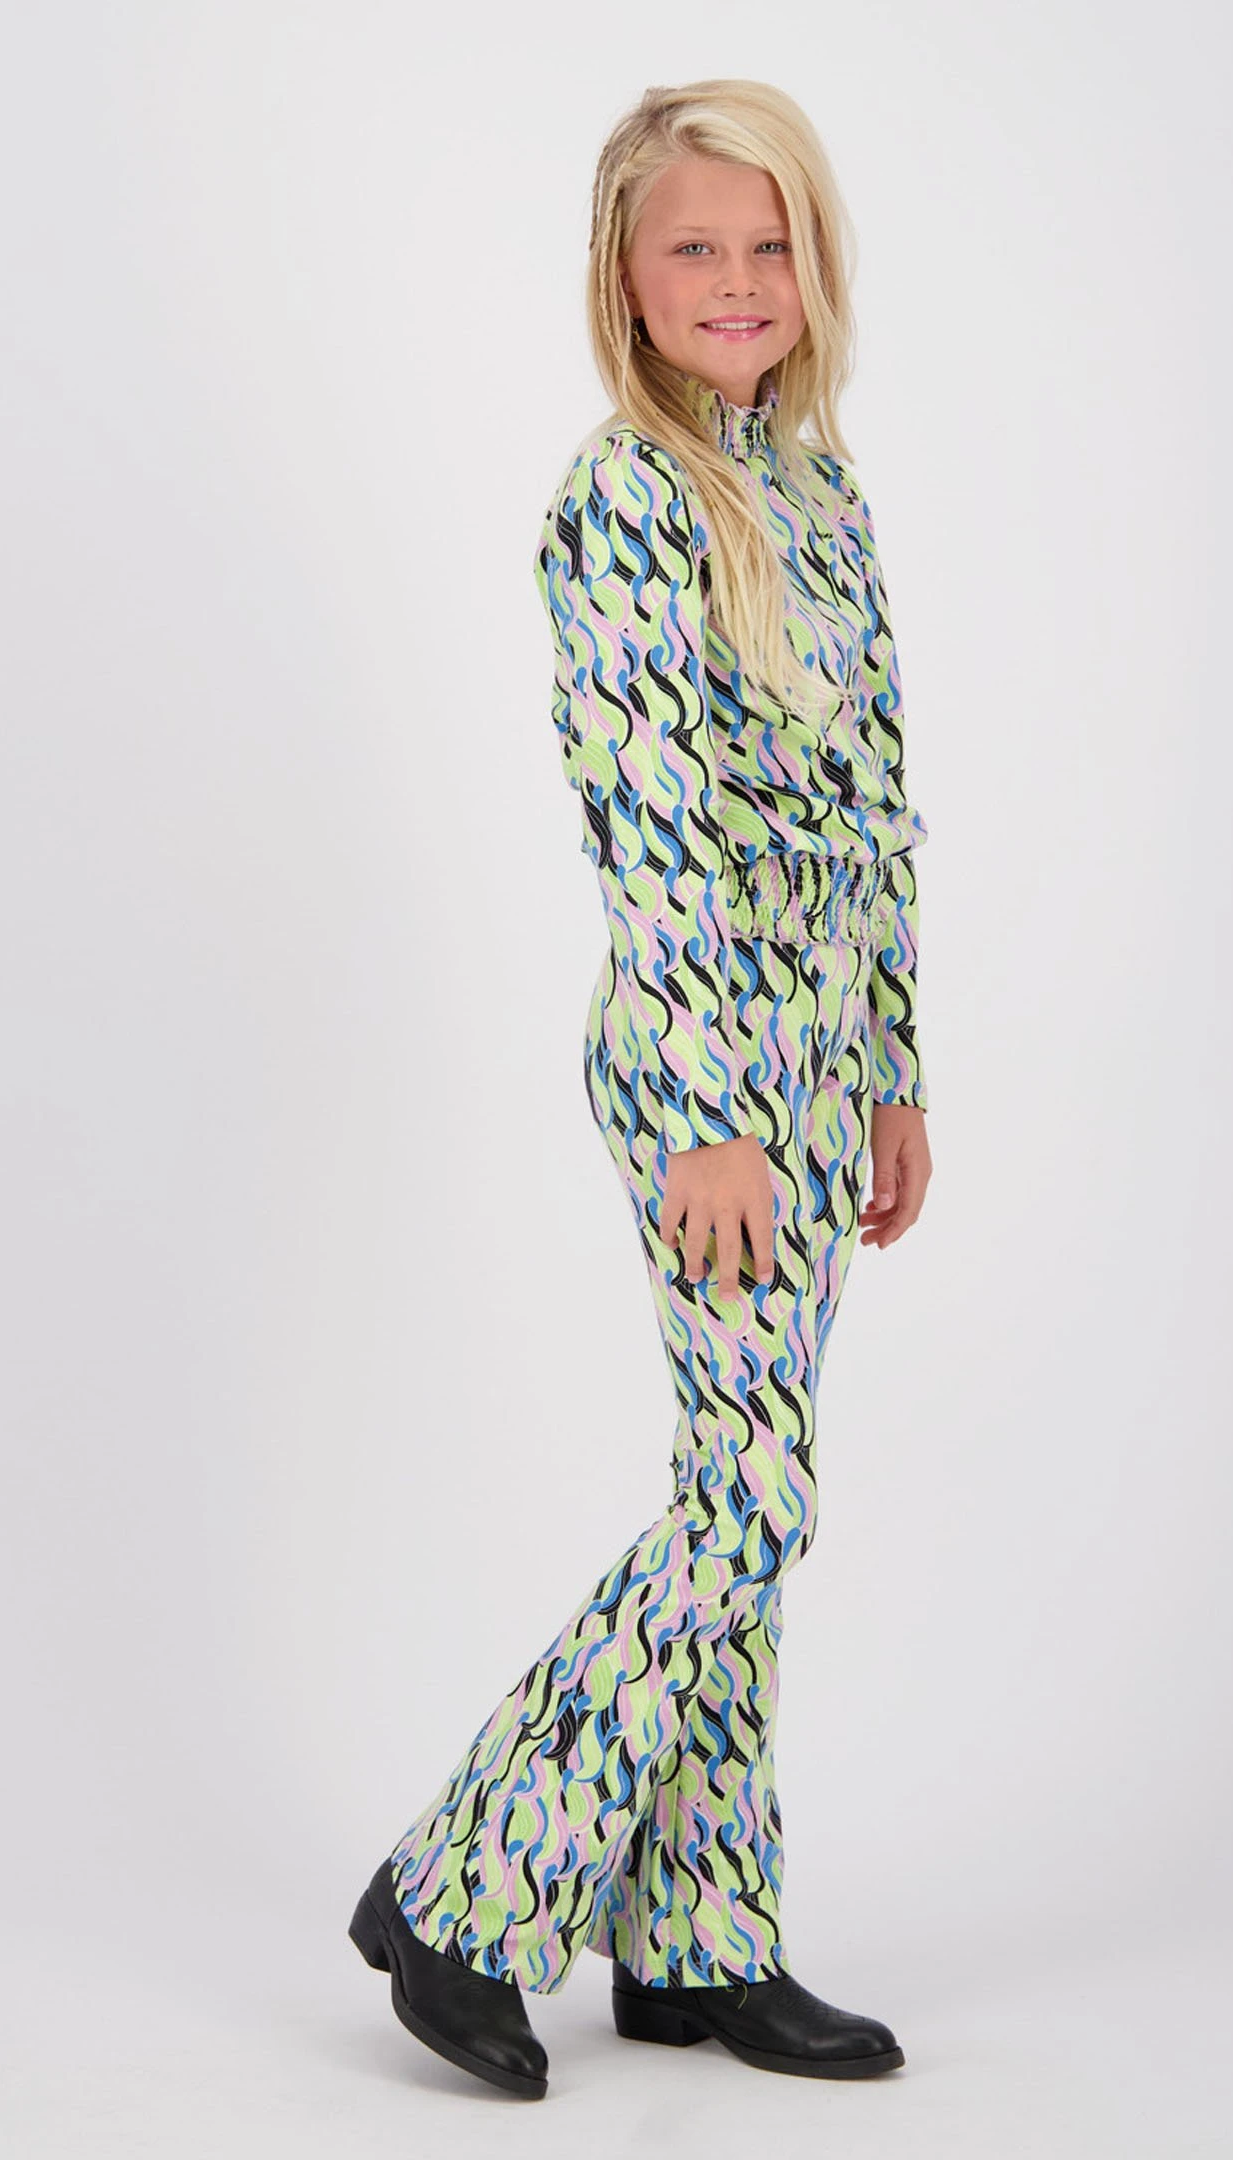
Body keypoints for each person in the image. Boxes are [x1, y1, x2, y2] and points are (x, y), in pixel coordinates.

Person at [349, 77, 932, 2102]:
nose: (739, 279)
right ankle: (462, 1885)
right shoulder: (624, 499)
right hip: (709, 1064)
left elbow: (878, 805)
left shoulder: (824, 497)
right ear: (625, 272)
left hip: (825, 1057)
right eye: (698, 245)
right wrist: (706, 1110)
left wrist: (895, 1069)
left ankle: (697, 1941)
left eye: (771, 244)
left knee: (735, 1498)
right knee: (756, 1499)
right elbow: (649, 824)